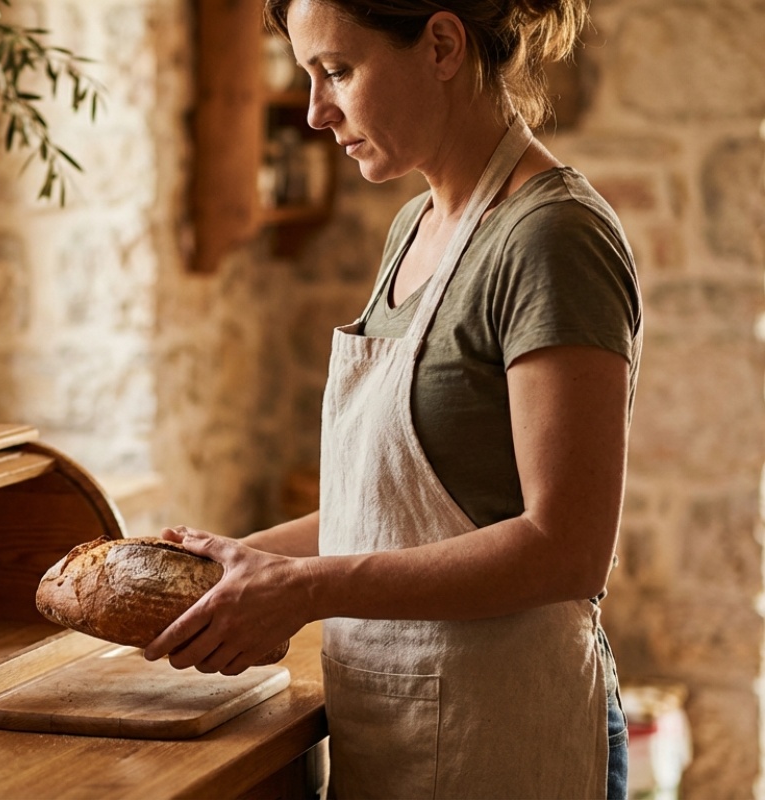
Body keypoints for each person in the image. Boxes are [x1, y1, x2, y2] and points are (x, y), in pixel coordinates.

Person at [143, 0, 642, 797]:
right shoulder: (414, 227)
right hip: (402, 731)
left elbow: (568, 548)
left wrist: (302, 589)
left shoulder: (552, 236)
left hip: (513, 733)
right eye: (308, 76)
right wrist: (226, 566)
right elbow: (385, 509)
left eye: (338, 70)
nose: (316, 111)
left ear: (442, 44)